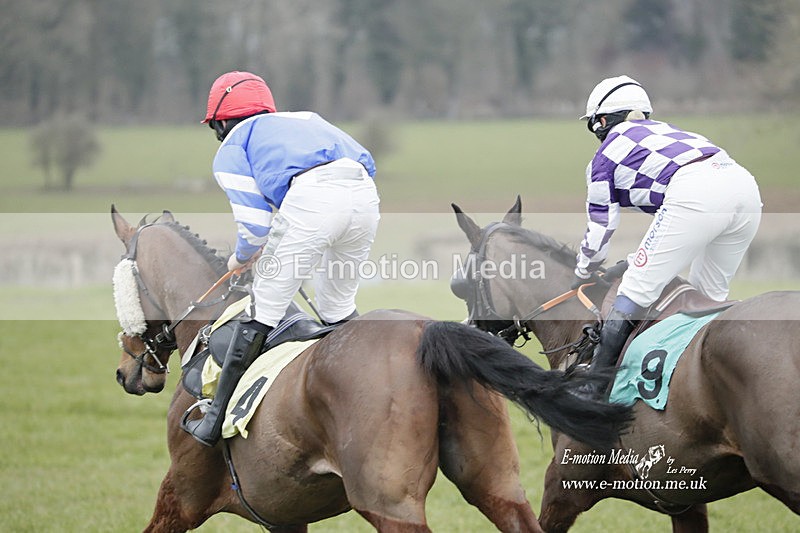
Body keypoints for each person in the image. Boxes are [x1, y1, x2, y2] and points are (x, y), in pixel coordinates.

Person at [183, 71, 380, 446]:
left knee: (264, 307)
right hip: (365, 197)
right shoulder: (305, 118)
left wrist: (240, 258)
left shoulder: (232, 147)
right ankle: (363, 395)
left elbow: (255, 227)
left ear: (223, 120)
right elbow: (363, 162)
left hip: (314, 201)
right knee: (336, 307)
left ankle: (214, 418)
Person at [573, 75, 762, 396]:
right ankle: (707, 387)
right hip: (745, 188)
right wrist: (636, 259)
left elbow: (601, 227)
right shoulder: (670, 132)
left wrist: (583, 270)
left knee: (634, 290)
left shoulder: (603, 158)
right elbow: (674, 225)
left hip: (697, 193)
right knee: (707, 296)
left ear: (601, 121)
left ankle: (595, 389)